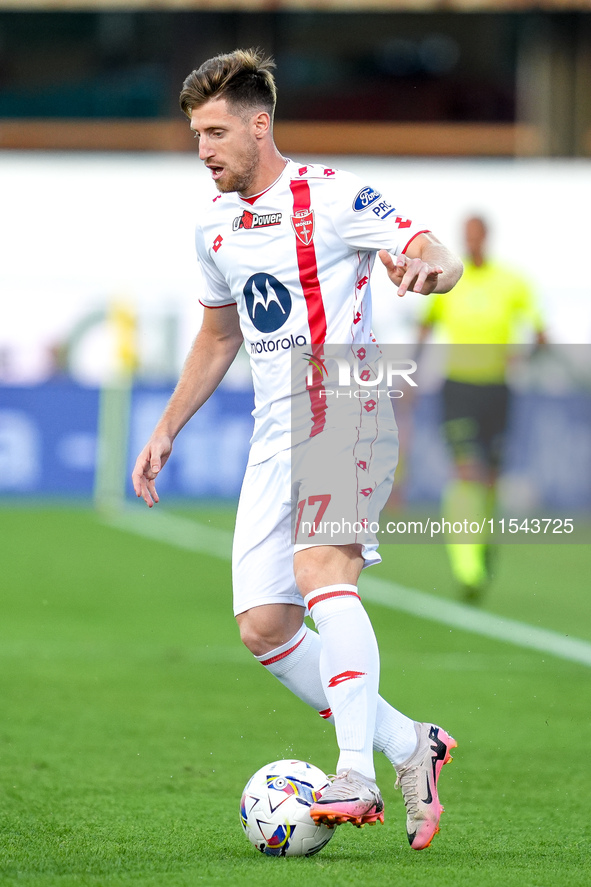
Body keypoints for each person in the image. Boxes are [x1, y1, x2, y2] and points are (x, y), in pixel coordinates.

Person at [132, 48, 463, 850]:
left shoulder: (332, 193)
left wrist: (427, 270)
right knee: (265, 625)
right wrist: (168, 423)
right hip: (272, 427)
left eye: (215, 132)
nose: (204, 149)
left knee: (321, 572)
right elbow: (217, 337)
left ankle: (352, 769)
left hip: (345, 398)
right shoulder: (213, 227)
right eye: (194, 135)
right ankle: (408, 742)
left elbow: (432, 249)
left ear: (258, 122)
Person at [417, 215, 547, 602]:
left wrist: (523, 359)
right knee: (467, 471)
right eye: (467, 236)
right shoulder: (449, 281)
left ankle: (481, 543)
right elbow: (425, 329)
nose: (471, 242)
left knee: (489, 480)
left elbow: (540, 333)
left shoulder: (512, 282)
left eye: (477, 236)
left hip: (497, 391)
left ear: (486, 237)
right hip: (458, 388)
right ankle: (468, 566)